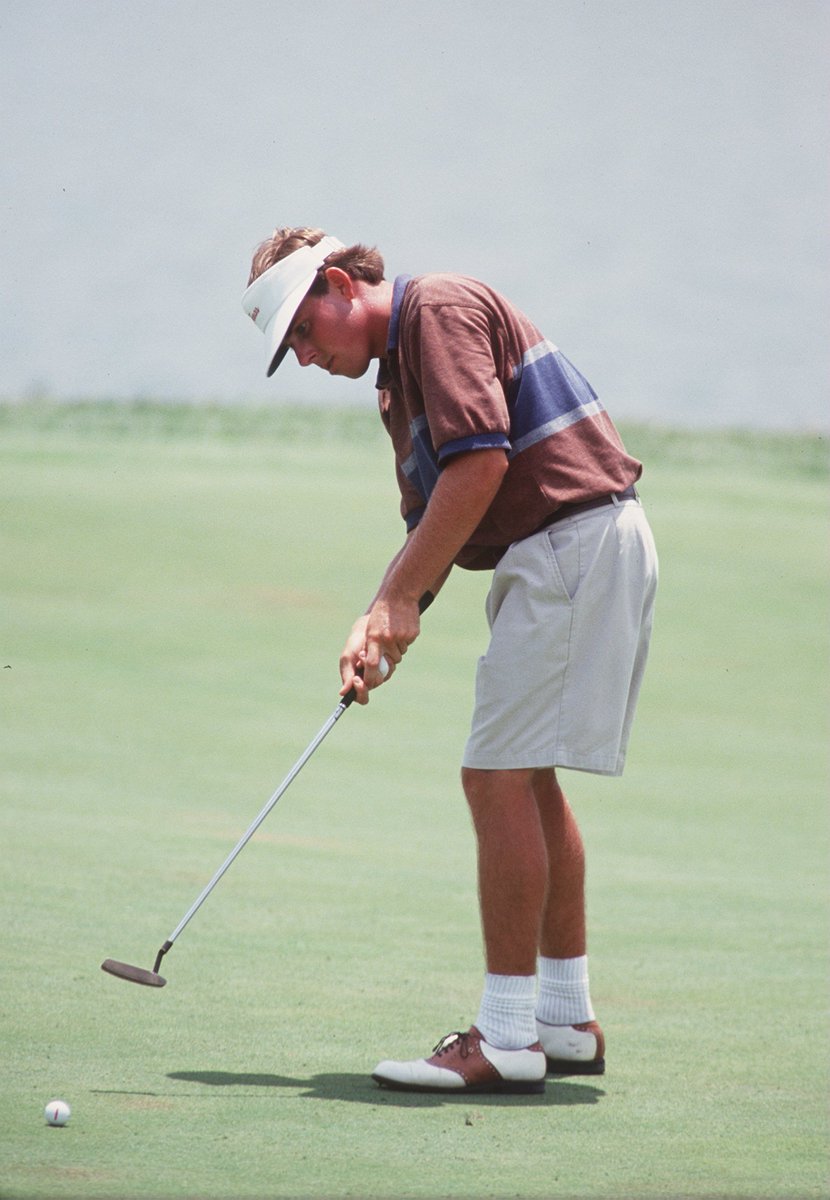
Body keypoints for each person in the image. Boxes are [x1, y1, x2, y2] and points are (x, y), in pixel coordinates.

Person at [241, 227, 658, 1094]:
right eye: (291, 351)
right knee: (527, 778)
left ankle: (507, 1037)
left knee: (495, 777)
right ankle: (565, 1019)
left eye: (305, 335)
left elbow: (480, 466)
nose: (308, 358)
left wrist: (396, 600)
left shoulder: (438, 308)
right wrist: (384, 616)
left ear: (337, 284)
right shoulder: (397, 381)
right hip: (567, 549)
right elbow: (433, 517)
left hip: (570, 545)